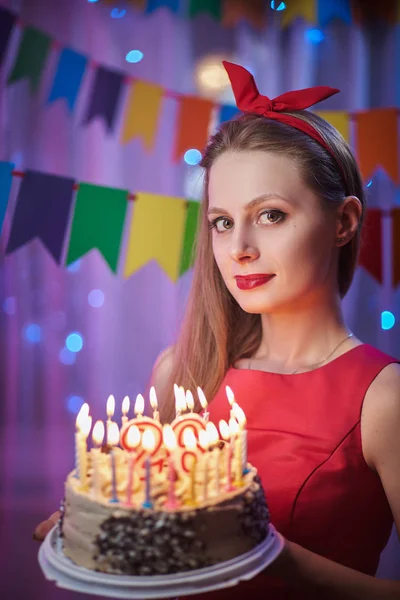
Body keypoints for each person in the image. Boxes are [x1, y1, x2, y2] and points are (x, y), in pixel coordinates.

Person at [33, 62, 400, 599]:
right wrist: (103, 538)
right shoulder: (178, 371)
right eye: (222, 221)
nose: (238, 248)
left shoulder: (384, 399)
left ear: (344, 222)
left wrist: (272, 556)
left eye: (271, 215)